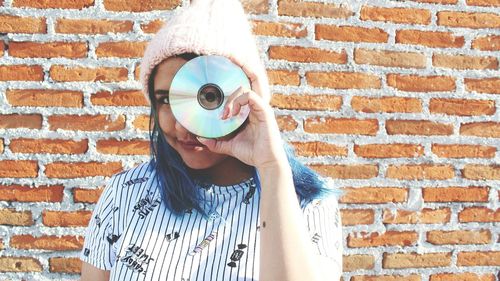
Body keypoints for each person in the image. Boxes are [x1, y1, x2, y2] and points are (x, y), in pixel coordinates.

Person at [79, 0, 343, 280]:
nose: (184, 124)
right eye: (167, 100)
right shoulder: (126, 193)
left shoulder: (310, 203)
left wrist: (271, 168)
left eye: (207, 97)